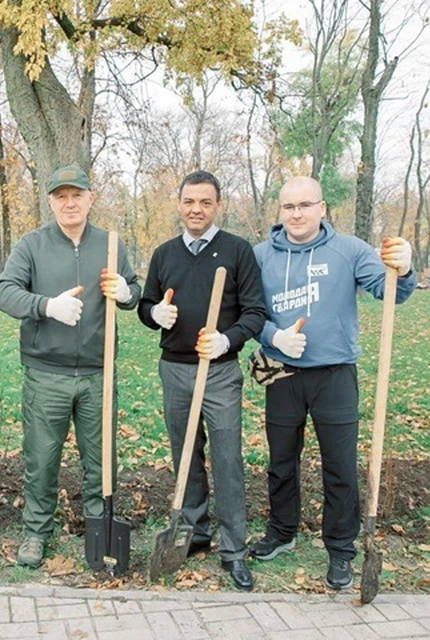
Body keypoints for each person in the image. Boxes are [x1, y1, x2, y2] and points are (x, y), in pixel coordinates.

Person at [250, 175, 417, 590]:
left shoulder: (350, 251)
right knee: (281, 461)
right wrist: (273, 337)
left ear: (322, 208)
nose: (297, 214)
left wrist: (406, 266)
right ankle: (281, 531)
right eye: (289, 207)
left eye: (306, 205)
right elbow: (247, 311)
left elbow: (391, 291)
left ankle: (341, 548)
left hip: (335, 374)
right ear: (280, 211)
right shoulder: (260, 256)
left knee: (340, 466)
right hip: (282, 373)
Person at [0, 165, 141, 568]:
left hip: (97, 373)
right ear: (50, 202)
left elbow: (133, 289)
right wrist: (46, 307)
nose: (69, 202)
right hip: (47, 374)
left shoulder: (110, 244)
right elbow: (5, 293)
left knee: (100, 460)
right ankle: (36, 532)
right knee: (41, 459)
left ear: (91, 198)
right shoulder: (32, 245)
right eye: (61, 196)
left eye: (77, 194)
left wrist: (127, 292)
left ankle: (99, 527)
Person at [137, 170, 266, 591]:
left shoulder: (237, 251)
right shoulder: (165, 253)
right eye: (189, 201)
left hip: (220, 372)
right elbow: (146, 304)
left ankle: (233, 548)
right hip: (175, 368)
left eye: (205, 202)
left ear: (217, 206)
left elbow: (254, 313)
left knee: (227, 456)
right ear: (179, 204)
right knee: (185, 452)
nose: (196, 209)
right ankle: (195, 530)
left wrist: (226, 340)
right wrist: (155, 313)